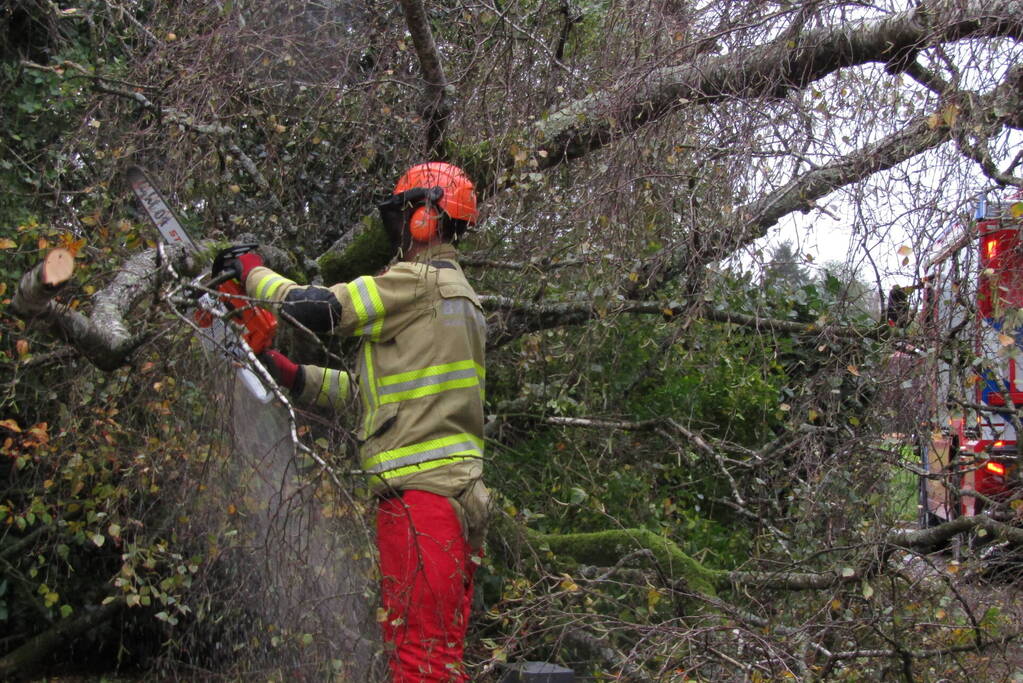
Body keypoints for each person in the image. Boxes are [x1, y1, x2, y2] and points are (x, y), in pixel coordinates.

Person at [216, 162, 489, 682]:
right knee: (439, 653)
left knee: (417, 658)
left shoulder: (417, 281)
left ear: (424, 218)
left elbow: (313, 307)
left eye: (403, 212)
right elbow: (372, 394)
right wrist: (285, 370)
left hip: (422, 500)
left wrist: (250, 270)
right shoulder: (462, 300)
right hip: (457, 501)